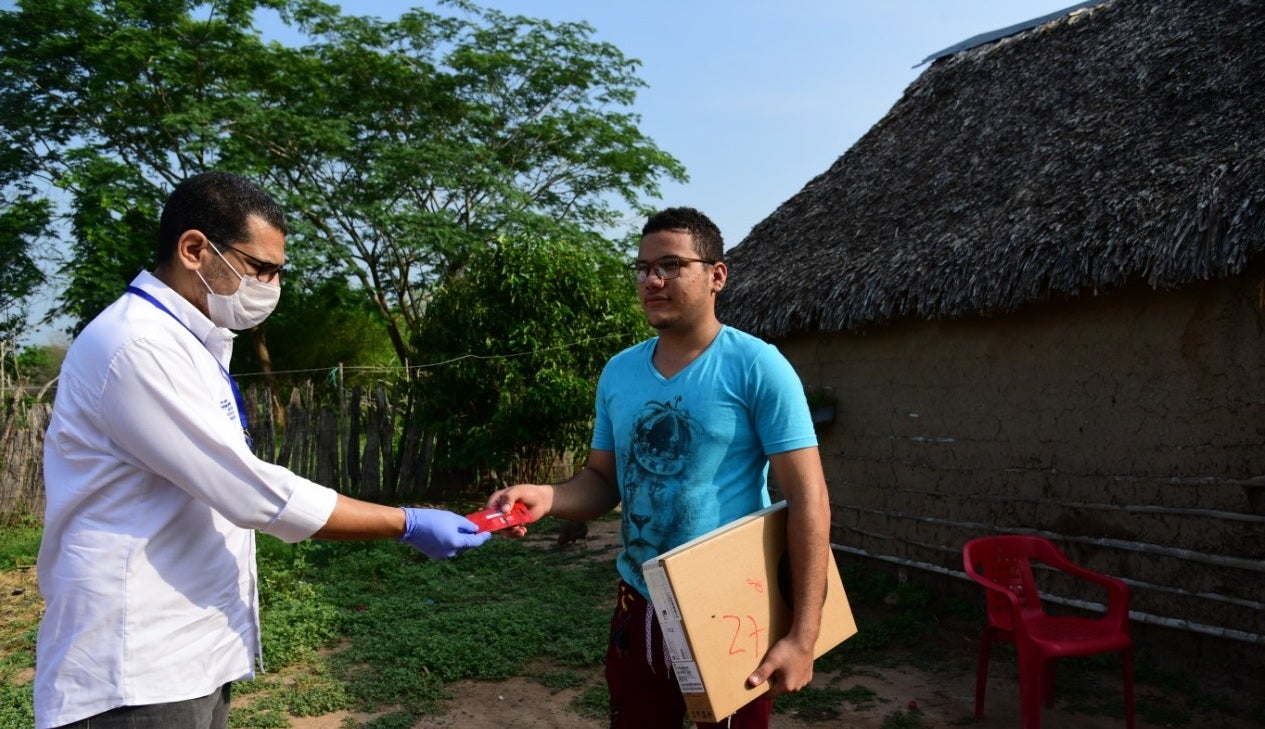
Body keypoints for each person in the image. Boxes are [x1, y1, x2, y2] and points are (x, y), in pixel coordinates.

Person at [34, 171, 491, 729]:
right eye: (260, 268)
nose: (272, 286)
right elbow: (251, 492)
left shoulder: (189, 341)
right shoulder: (137, 346)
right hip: (134, 668)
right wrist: (406, 523)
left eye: (278, 272)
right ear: (194, 250)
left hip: (189, 652)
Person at [486, 207, 832, 729]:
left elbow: (808, 500)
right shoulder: (619, 372)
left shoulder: (758, 367)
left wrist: (803, 636)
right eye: (644, 268)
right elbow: (602, 481)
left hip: (729, 608)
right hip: (641, 606)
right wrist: (547, 497)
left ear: (716, 275)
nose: (652, 280)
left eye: (671, 265)